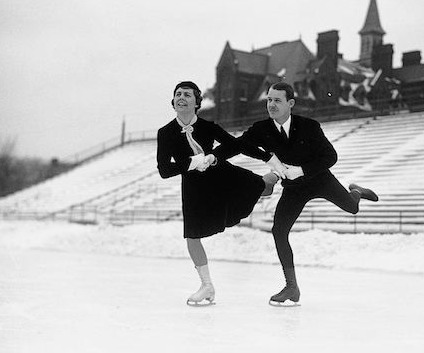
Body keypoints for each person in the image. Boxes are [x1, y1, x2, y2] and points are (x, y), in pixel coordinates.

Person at [237, 81, 379, 306]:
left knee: (352, 208)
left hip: (319, 179)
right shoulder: (262, 129)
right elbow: (237, 145)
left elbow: (331, 157)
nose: (271, 104)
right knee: (279, 231)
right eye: (269, 100)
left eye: (277, 100)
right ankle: (292, 287)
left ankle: (356, 192)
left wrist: (302, 170)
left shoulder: (309, 126)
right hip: (294, 189)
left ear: (290, 103)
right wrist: (213, 157)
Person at [157, 81, 282, 306]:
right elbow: (164, 171)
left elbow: (237, 145)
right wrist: (190, 163)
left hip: (220, 175)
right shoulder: (165, 133)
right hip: (193, 187)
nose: (181, 97)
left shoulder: (208, 126)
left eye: (187, 94)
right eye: (177, 94)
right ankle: (207, 286)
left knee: (259, 186)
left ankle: (272, 180)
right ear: (173, 101)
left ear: (197, 102)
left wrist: (268, 157)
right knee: (192, 237)